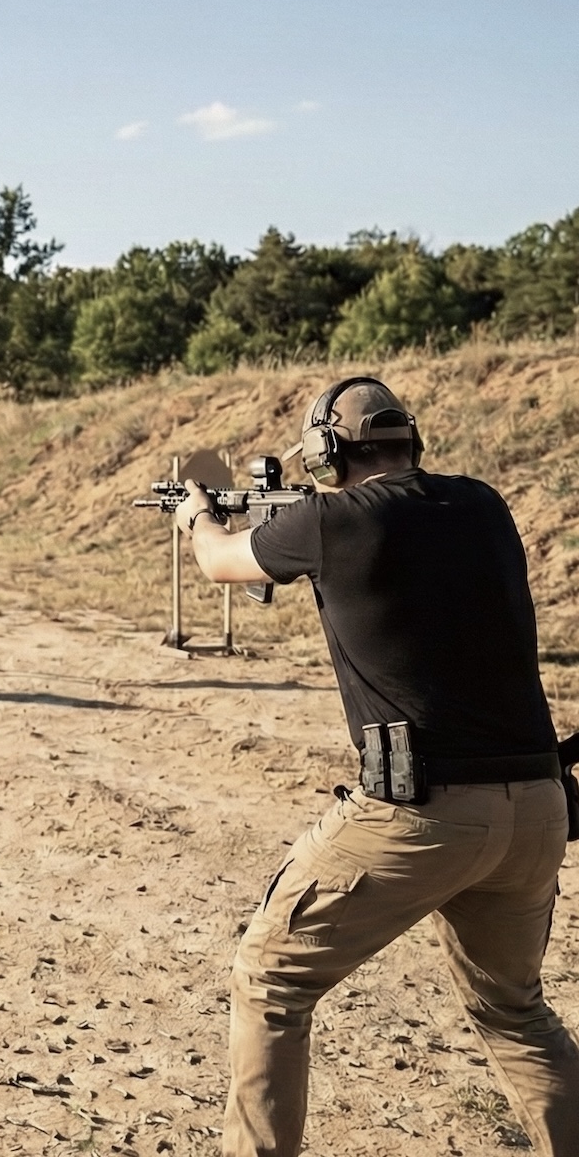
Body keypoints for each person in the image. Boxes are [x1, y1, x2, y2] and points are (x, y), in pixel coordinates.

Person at [174, 375, 579, 1156]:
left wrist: (199, 516)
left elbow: (222, 562)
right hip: (538, 804)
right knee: (516, 1013)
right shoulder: (485, 506)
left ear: (326, 453)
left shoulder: (328, 519)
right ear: (411, 438)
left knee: (271, 982)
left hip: (420, 812)